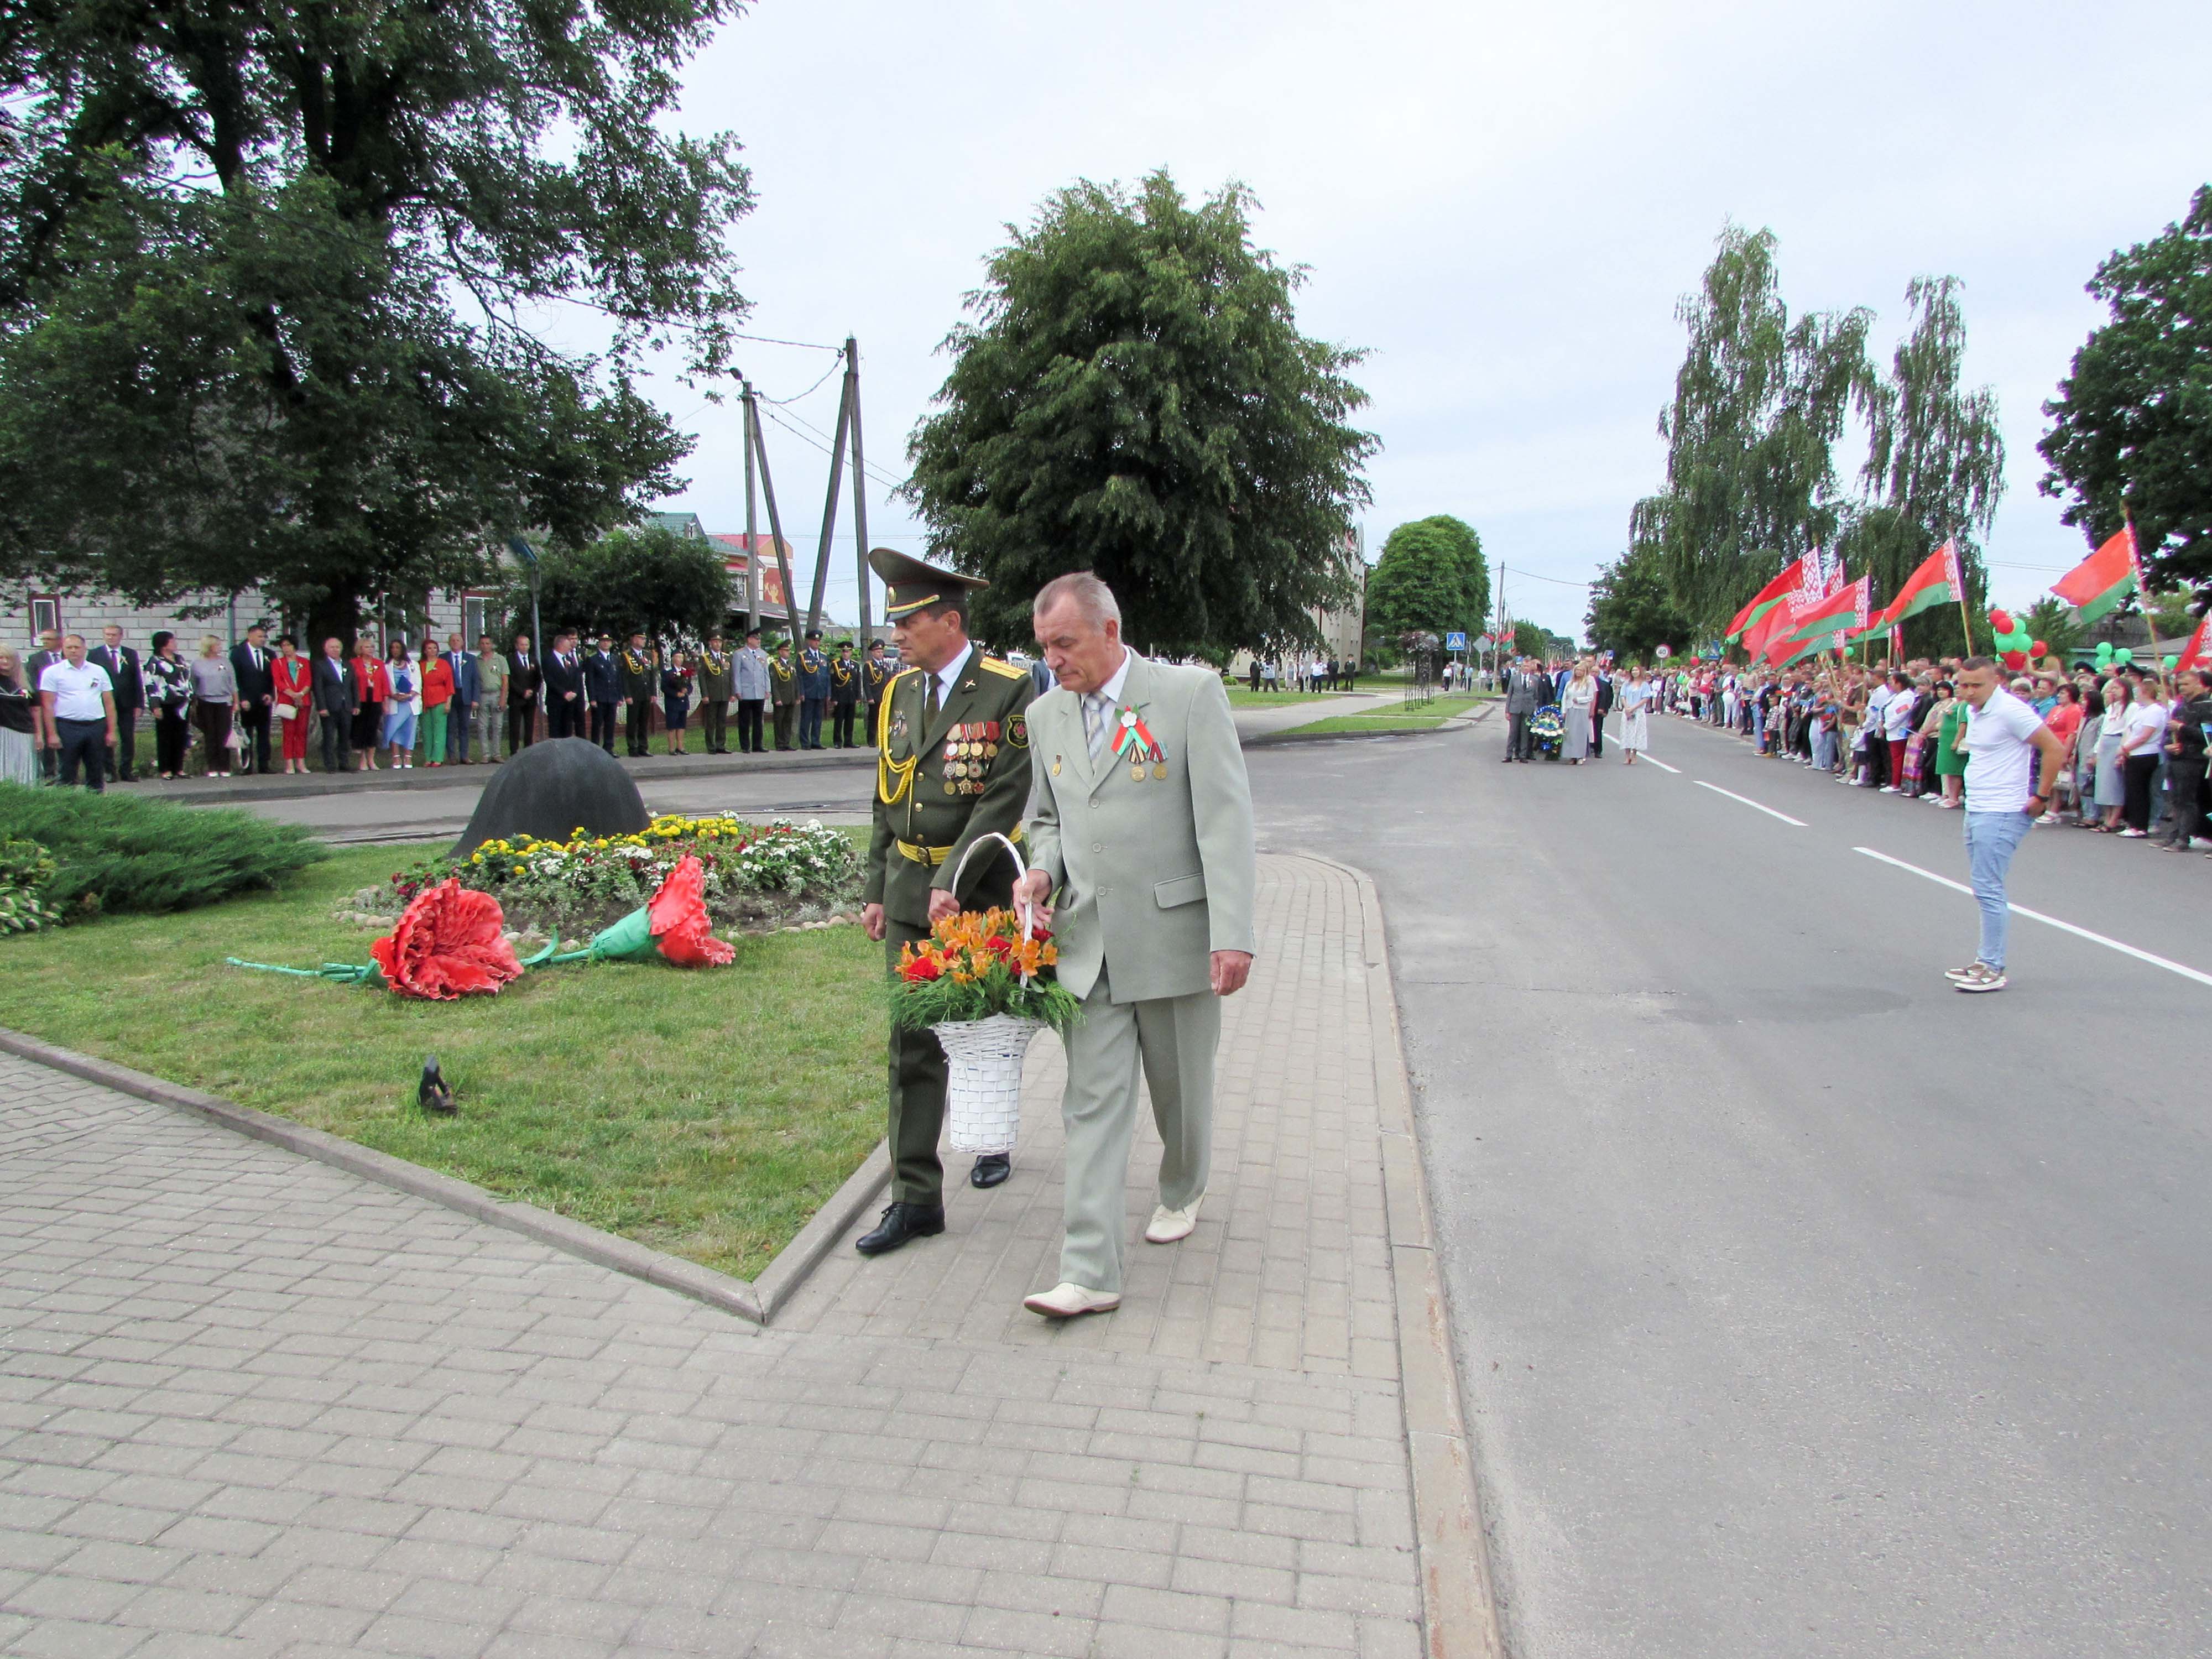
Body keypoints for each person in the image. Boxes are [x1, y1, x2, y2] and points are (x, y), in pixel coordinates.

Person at [1012, 570, 1255, 1318]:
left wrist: (1233, 934)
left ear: (1109, 631)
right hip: (1090, 947)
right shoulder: (1048, 714)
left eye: (1065, 643)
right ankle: (1088, 1273)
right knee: (1090, 1106)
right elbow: (1046, 818)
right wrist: (1042, 875)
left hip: (1174, 935)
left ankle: (1183, 1185)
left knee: (1180, 1093)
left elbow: (1224, 819)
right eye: (1044, 646)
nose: (1054, 659)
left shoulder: (1187, 697)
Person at [855, 549, 1038, 1256]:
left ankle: (991, 1137)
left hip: (977, 891)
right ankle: (915, 1198)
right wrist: (878, 886)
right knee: (912, 1045)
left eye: (909, 622)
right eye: (894, 623)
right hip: (908, 891)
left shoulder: (1008, 689)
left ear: (950, 621)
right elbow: (886, 793)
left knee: (988, 1028)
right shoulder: (900, 693)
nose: (896, 634)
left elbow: (1005, 796)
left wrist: (951, 879)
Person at [1947, 656, 2067, 993]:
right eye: (1963, 685)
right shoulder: (1975, 710)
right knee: (1982, 885)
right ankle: (1984, 959)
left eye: (1976, 685)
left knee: (1989, 887)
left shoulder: (2010, 710)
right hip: (1978, 806)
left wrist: (2041, 796)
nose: (1968, 692)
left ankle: (1993, 966)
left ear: (1996, 681)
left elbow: (2054, 749)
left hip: (2002, 810)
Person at [39, 632, 120, 789]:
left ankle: (95, 805)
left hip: (96, 726)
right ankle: (67, 808)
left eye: (77, 647)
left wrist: (111, 731)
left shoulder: (99, 671)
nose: (73, 651)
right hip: (67, 726)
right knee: (67, 771)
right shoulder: (52, 672)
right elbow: (48, 705)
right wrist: (52, 734)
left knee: (96, 769)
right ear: (63, 649)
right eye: (69, 648)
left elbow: (109, 703)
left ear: (85, 649)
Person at [2154, 668, 2210, 852]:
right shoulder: (2180, 706)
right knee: (2175, 799)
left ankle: (2184, 837)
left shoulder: (2207, 706)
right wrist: (2169, 745)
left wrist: (2182, 728)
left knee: (2187, 800)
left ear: (2198, 683)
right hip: (2177, 757)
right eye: (2180, 685)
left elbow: (2206, 736)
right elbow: (2169, 731)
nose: (2182, 688)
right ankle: (2173, 834)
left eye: (2186, 684)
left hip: (2194, 759)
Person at [2114, 675, 2168, 837]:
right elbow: (2129, 730)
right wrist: (2125, 748)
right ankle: (2134, 823)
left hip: (2146, 754)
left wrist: (2126, 747)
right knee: (2133, 789)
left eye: (2139, 692)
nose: (2137, 694)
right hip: (2133, 754)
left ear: (2146, 692)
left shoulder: (2156, 710)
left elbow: (2145, 735)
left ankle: (2139, 826)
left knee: (2139, 791)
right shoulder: (2140, 710)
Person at [92, 626, 143, 782]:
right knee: (107, 736)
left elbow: (137, 679)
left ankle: (126, 770)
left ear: (121, 636)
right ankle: (109, 771)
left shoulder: (130, 654)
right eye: (107, 635)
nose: (110, 638)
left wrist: (139, 704)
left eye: (114, 635)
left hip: (127, 703)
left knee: (128, 738)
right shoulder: (95, 654)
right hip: (105, 703)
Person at [229, 624, 275, 775]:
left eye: (264, 637)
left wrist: (270, 694)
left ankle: (264, 765)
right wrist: (242, 698)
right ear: (250, 636)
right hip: (247, 701)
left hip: (264, 700)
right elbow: (235, 678)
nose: (263, 640)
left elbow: (272, 677)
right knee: (246, 733)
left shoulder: (270, 654)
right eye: (260, 636)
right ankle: (246, 764)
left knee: (264, 733)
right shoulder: (238, 653)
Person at [190, 635, 238, 777]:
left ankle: (225, 767)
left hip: (224, 702)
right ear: (209, 646)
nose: (220, 647)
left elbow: (233, 683)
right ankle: (213, 767)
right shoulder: (197, 664)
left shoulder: (226, 662)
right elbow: (193, 684)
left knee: (224, 733)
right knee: (210, 734)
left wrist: (236, 702)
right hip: (205, 702)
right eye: (217, 644)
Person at [2037, 684, 2083, 823]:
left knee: (2059, 781)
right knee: (2050, 779)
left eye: (2063, 693)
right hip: (2050, 746)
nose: (2059, 696)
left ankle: (2055, 809)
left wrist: (2066, 754)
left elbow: (2072, 734)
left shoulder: (2075, 710)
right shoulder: (2055, 709)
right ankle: (2048, 806)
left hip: (2062, 746)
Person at [310, 636, 354, 775]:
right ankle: (330, 764)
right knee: (329, 736)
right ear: (326, 649)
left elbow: (353, 686)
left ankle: (344, 763)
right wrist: (322, 707)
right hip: (329, 706)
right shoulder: (320, 665)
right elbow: (318, 687)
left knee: (345, 736)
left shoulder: (347, 665)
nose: (335, 650)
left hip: (346, 705)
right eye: (332, 647)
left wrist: (356, 704)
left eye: (338, 647)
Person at [2092, 677, 2131, 832]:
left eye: (2117, 688)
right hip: (2106, 744)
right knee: (2104, 784)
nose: (2113, 691)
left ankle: (2114, 819)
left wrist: (2123, 751)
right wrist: (2096, 752)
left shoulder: (2131, 707)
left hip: (2118, 743)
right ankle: (2106, 816)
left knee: (2115, 784)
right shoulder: (2111, 708)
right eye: (2112, 688)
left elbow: (2129, 730)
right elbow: (2103, 731)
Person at [269, 636, 312, 774]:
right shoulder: (278, 663)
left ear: (294, 646)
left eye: (288, 645)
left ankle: (301, 761)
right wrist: (293, 694)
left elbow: (309, 681)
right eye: (283, 646)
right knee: (289, 732)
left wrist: (301, 694)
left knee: (302, 732)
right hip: (287, 700)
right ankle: (289, 763)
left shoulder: (305, 662)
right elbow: (279, 682)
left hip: (303, 700)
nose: (286, 648)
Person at [25, 628, 62, 780]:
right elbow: (33, 683)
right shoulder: (35, 659)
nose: (45, 642)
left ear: (59, 641)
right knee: (48, 739)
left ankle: (66, 771)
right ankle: (49, 772)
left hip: (66, 704)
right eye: (43, 640)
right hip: (45, 705)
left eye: (49, 639)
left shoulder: (68, 657)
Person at [0, 649, 36, 786]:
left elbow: (35, 709)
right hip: (2, 732)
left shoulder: (25, 685)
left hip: (24, 733)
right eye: (1, 658)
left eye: (8, 658)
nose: (4, 661)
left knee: (22, 773)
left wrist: (39, 735)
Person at [351, 635, 387, 770]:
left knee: (373, 729)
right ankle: (362, 761)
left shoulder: (379, 664)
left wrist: (385, 702)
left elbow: (384, 683)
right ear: (360, 649)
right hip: (361, 699)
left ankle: (372, 760)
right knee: (361, 729)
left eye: (372, 647)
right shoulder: (354, 663)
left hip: (376, 698)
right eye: (367, 647)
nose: (371, 649)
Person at [382, 639, 419, 768]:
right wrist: (394, 695)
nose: (395, 650)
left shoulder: (413, 664)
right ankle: (396, 758)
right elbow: (385, 684)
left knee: (410, 730)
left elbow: (418, 683)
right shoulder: (386, 666)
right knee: (394, 729)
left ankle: (408, 758)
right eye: (392, 648)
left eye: (398, 647)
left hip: (410, 702)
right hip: (395, 702)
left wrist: (410, 695)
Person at [619, 632, 655, 757]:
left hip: (646, 693)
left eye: (644, 638)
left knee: (644, 722)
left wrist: (653, 693)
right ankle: (632, 747)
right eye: (641, 638)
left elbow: (652, 675)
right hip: (634, 694)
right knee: (633, 722)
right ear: (633, 639)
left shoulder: (648, 655)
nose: (643, 640)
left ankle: (643, 747)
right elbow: (624, 677)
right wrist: (627, 695)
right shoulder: (626, 656)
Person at [734, 627, 770, 754]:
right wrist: (738, 690)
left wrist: (768, 689)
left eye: (759, 638)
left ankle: (757, 744)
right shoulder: (739, 654)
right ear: (749, 639)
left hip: (759, 691)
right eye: (756, 638)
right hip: (746, 691)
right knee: (744, 720)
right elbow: (737, 674)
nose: (758, 641)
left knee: (758, 720)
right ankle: (745, 746)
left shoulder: (763, 654)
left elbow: (766, 673)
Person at [542, 631, 583, 740]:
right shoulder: (548, 660)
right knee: (556, 730)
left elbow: (576, 677)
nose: (570, 647)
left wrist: (574, 692)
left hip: (569, 701)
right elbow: (550, 681)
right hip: (556, 701)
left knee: (567, 730)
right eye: (568, 645)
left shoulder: (569, 660)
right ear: (560, 645)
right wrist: (564, 693)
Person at [584, 633, 621, 753]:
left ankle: (609, 748)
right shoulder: (593, 659)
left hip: (612, 697)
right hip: (600, 697)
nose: (606, 643)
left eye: (608, 641)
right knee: (597, 724)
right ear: (599, 643)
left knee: (610, 724)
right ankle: (595, 749)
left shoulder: (615, 659)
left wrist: (620, 696)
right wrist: (592, 698)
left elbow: (618, 678)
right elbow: (590, 680)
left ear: (611, 643)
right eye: (603, 641)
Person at [696, 634, 733, 754]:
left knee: (722, 721)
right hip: (712, 695)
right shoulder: (705, 658)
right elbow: (702, 677)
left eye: (719, 642)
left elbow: (730, 676)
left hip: (724, 694)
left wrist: (732, 693)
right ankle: (711, 746)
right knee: (711, 722)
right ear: (711, 643)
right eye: (715, 642)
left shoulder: (727, 657)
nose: (718, 644)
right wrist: (705, 695)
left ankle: (721, 745)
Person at [419, 638, 453, 765]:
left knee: (439, 729)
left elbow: (450, 685)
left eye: (434, 648)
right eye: (429, 648)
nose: (432, 651)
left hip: (440, 699)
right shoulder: (420, 665)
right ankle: (428, 757)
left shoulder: (444, 664)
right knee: (427, 730)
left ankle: (438, 758)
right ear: (424, 651)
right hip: (425, 700)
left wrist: (448, 703)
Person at [443, 634, 476, 763]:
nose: (455, 643)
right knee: (451, 727)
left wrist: (475, 699)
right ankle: (452, 756)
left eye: (458, 640)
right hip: (450, 695)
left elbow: (475, 680)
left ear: (462, 643)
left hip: (465, 695)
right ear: (449, 643)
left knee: (465, 727)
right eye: (453, 640)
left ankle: (465, 755)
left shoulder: (470, 659)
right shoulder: (444, 658)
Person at [504, 633, 540, 754]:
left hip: (531, 699)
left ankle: (528, 751)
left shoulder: (533, 660)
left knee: (529, 727)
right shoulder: (510, 660)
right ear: (517, 646)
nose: (525, 647)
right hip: (516, 698)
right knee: (515, 726)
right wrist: (522, 692)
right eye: (522, 645)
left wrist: (532, 691)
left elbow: (539, 679)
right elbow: (510, 680)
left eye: (527, 645)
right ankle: (514, 752)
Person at [472, 635, 506, 762]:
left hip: (497, 694)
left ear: (492, 645)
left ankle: (497, 754)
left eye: (487, 643)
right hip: (482, 694)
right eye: (482, 643)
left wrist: (503, 699)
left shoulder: (500, 659)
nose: (485, 646)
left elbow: (505, 680)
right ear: (479, 645)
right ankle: (485, 754)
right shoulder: (476, 661)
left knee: (497, 726)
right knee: (482, 726)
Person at [1503, 658, 1541, 762]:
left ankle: (1523, 755)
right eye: (1524, 666)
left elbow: (1536, 696)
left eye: (1528, 666)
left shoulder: (1534, 680)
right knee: (1513, 733)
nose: (1526, 668)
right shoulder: (1514, 678)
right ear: (1521, 668)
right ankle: (1509, 755)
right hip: (1515, 708)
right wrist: (1507, 711)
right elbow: (1509, 695)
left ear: (1530, 668)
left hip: (1527, 709)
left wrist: (1533, 707)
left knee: (1525, 733)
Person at [797, 629, 830, 749]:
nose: (817, 643)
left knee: (818, 719)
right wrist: (801, 692)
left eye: (818, 641)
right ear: (809, 641)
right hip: (808, 692)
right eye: (814, 640)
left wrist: (828, 692)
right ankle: (805, 742)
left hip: (820, 692)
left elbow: (827, 676)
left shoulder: (824, 657)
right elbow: (800, 676)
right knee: (806, 718)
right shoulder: (803, 656)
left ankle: (816, 741)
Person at [860, 637, 894, 747]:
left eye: (881, 652)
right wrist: (869, 697)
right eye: (878, 652)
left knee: (884, 720)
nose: (880, 654)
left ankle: (883, 740)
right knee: (873, 720)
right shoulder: (869, 666)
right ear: (873, 653)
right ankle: (871, 741)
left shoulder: (886, 665)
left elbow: (889, 681)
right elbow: (866, 682)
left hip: (884, 697)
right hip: (874, 697)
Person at [828, 639, 861, 748]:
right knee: (839, 720)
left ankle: (848, 741)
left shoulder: (855, 665)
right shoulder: (836, 665)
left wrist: (858, 696)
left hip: (851, 696)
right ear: (841, 652)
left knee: (850, 720)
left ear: (851, 652)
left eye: (848, 651)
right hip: (840, 697)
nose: (846, 654)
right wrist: (834, 698)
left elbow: (857, 682)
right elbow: (833, 682)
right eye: (844, 652)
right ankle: (837, 742)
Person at [768, 637, 799, 750]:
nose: (788, 653)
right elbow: (774, 684)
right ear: (780, 652)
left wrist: (797, 696)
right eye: (786, 650)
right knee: (779, 721)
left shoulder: (791, 665)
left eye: (789, 651)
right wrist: (777, 698)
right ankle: (779, 743)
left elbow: (795, 682)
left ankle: (786, 742)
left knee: (788, 721)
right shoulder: (775, 665)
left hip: (790, 698)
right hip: (781, 698)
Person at [1562, 662, 1595, 763]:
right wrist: (1563, 711)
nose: (1579, 672)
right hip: (1570, 709)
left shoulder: (1588, 683)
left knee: (1580, 733)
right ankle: (1572, 756)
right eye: (1577, 670)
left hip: (1582, 710)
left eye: (1581, 671)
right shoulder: (1570, 683)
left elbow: (1591, 697)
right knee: (1570, 733)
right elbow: (1565, 698)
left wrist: (1580, 700)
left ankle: (1580, 756)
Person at [660, 650, 692, 755]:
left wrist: (687, 690)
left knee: (681, 725)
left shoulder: (685, 671)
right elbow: (664, 687)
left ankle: (680, 747)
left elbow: (690, 685)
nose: (680, 660)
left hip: (683, 702)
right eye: (678, 657)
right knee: (672, 725)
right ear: (673, 659)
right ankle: (671, 748)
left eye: (682, 658)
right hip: (672, 702)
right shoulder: (668, 672)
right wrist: (676, 694)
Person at [1617, 664, 1651, 763]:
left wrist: (1634, 708)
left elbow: (1645, 698)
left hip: (1638, 711)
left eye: (1637, 670)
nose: (1635, 672)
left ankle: (1634, 754)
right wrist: (1627, 707)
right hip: (1627, 710)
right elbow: (1623, 696)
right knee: (1627, 732)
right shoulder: (1627, 684)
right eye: (1633, 671)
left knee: (1637, 733)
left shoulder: (1644, 685)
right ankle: (1627, 756)